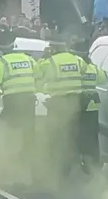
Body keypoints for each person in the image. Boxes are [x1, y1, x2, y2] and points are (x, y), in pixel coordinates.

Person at [38, 34, 88, 183]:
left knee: (55, 137)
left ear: (53, 48)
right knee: (73, 136)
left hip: (57, 104)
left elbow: (37, 72)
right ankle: (73, 167)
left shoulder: (49, 62)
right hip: (75, 104)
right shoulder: (77, 60)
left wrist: (43, 56)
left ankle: (57, 168)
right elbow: (85, 70)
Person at [0, 29, 38, 179]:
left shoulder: (0, 63)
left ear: (0, 47)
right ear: (14, 44)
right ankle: (32, 169)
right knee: (28, 136)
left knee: (3, 133)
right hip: (29, 102)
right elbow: (38, 76)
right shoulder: (28, 59)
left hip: (12, 103)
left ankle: (4, 168)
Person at [71, 39, 107, 174]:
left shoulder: (77, 69)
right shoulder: (93, 68)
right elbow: (103, 79)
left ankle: (78, 162)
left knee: (76, 134)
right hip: (92, 107)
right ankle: (93, 164)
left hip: (79, 104)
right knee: (91, 137)